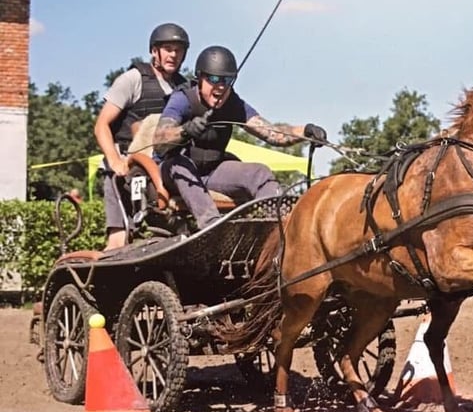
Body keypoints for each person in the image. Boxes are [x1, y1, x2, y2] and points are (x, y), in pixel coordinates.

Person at [153, 45, 327, 230]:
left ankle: (283, 229)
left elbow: (273, 133)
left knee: (259, 173)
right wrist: (184, 131)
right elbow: (159, 139)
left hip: (211, 172)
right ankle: (214, 230)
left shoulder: (233, 104)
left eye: (227, 80)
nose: (221, 86)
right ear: (200, 77)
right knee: (181, 164)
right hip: (174, 171)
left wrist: (306, 131)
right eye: (214, 79)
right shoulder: (183, 98)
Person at [93, 22, 190, 249]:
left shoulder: (184, 88)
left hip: (160, 168)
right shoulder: (132, 79)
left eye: (178, 50)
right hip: (126, 167)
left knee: (173, 237)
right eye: (167, 48)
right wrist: (115, 160)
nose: (173, 55)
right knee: (120, 239)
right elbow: (101, 126)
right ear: (154, 51)